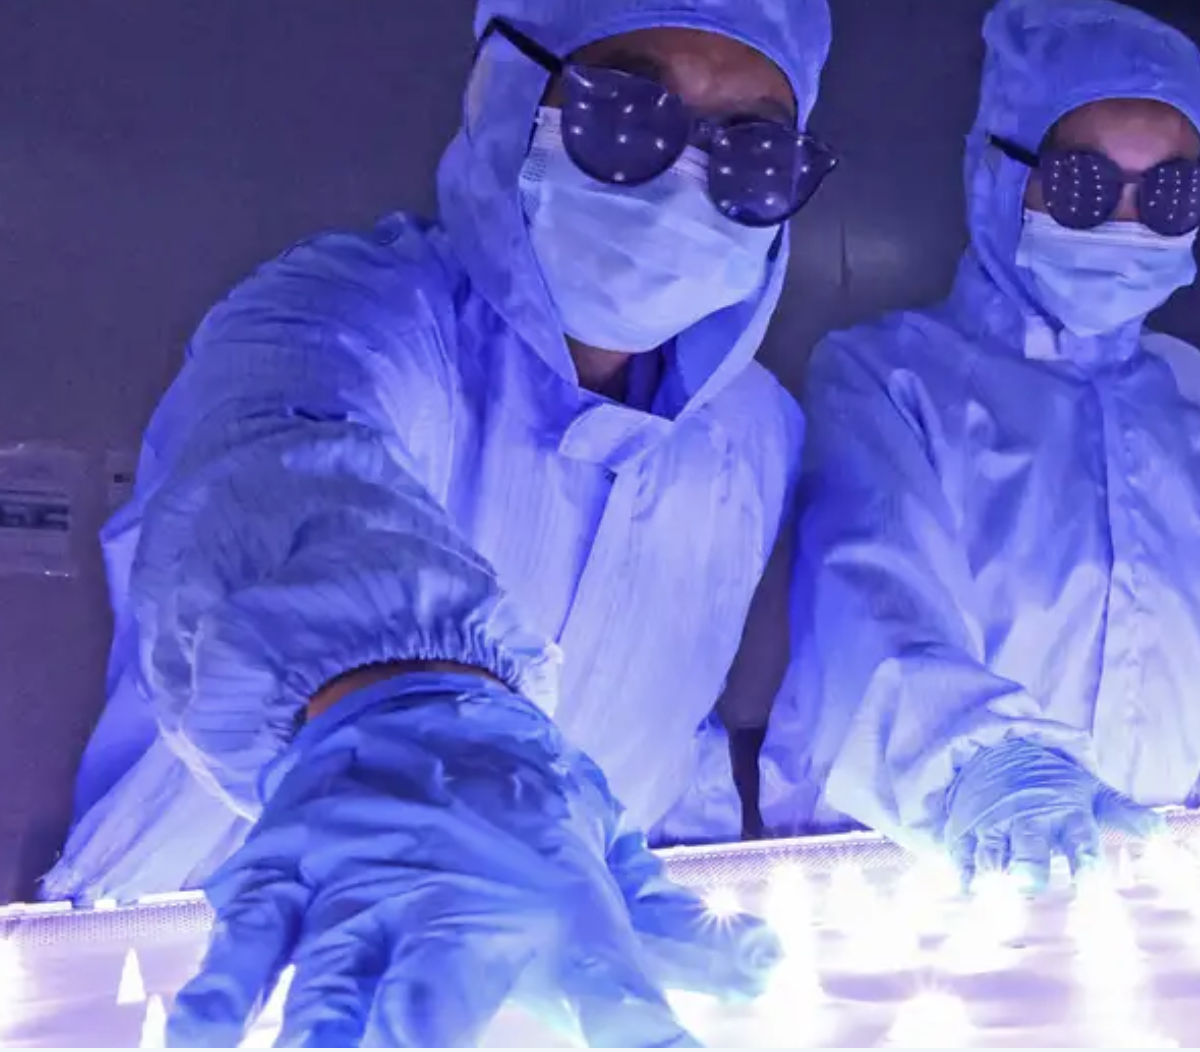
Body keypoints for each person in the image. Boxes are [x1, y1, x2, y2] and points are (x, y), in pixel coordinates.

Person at [50, 0, 835, 1043]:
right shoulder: (344, 312)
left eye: (751, 153)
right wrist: (396, 704)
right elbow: (284, 462)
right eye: (625, 116)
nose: (684, 179)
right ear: (510, 94)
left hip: (558, 976)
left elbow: (665, 716)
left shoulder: (752, 432)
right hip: (226, 963)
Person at [758, 0, 1200, 891]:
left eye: (1167, 195)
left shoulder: (1197, 397)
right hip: (926, 873)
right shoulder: (888, 378)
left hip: (1150, 889)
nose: (1127, 223)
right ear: (996, 172)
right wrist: (986, 768)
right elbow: (876, 610)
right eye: (1086, 187)